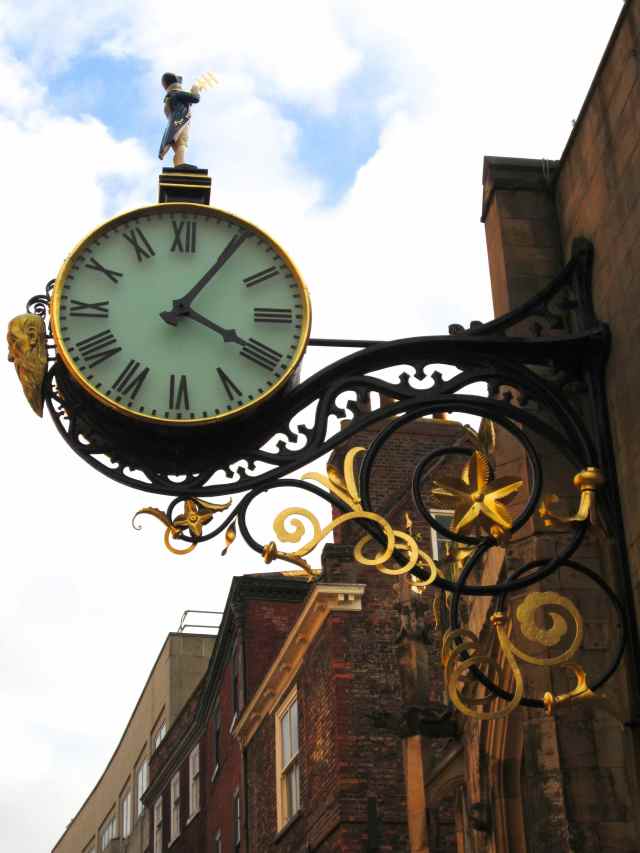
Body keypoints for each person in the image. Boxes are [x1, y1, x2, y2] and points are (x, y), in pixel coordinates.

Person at [158, 73, 201, 167]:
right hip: (181, 121)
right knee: (182, 142)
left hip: (176, 123)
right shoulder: (177, 93)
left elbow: (185, 104)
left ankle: (178, 162)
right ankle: (180, 162)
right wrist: (195, 90)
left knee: (180, 143)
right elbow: (195, 98)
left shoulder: (171, 96)